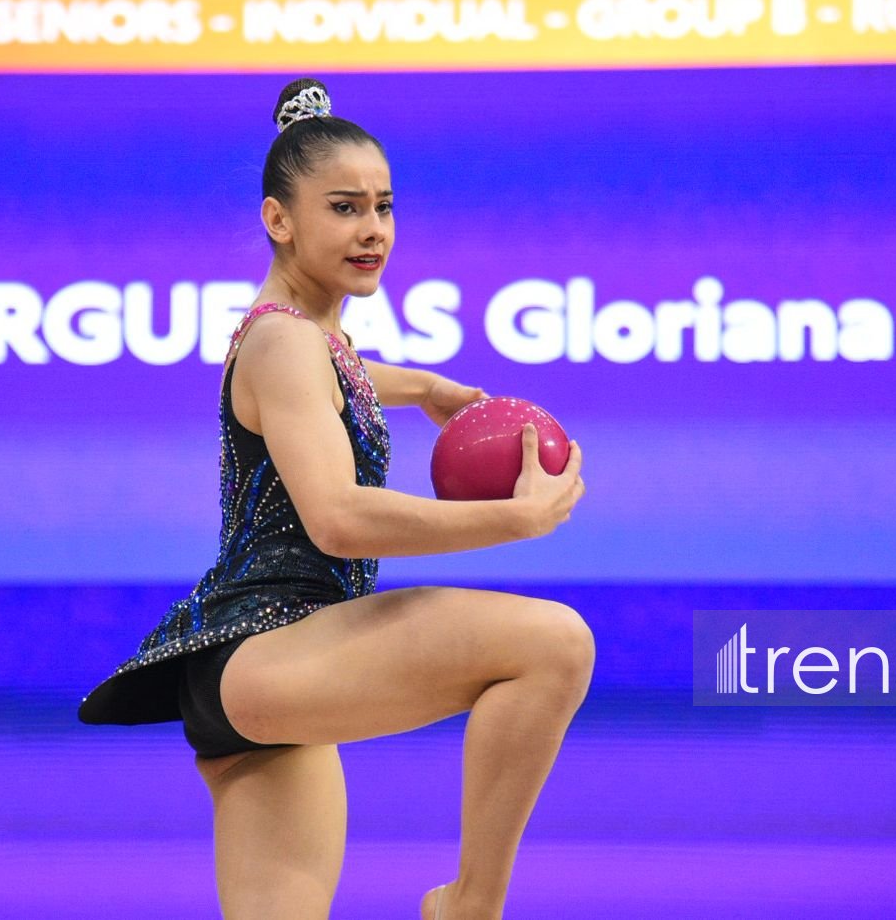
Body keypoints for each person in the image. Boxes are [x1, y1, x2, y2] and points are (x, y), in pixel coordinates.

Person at [80, 78, 591, 920]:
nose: (373, 231)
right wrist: (515, 518)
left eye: (384, 208)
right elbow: (338, 516)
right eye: (345, 208)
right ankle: (470, 903)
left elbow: (338, 379)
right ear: (278, 220)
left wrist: (423, 386)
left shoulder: (306, 336)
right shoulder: (284, 343)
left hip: (249, 682)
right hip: (277, 646)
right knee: (554, 644)